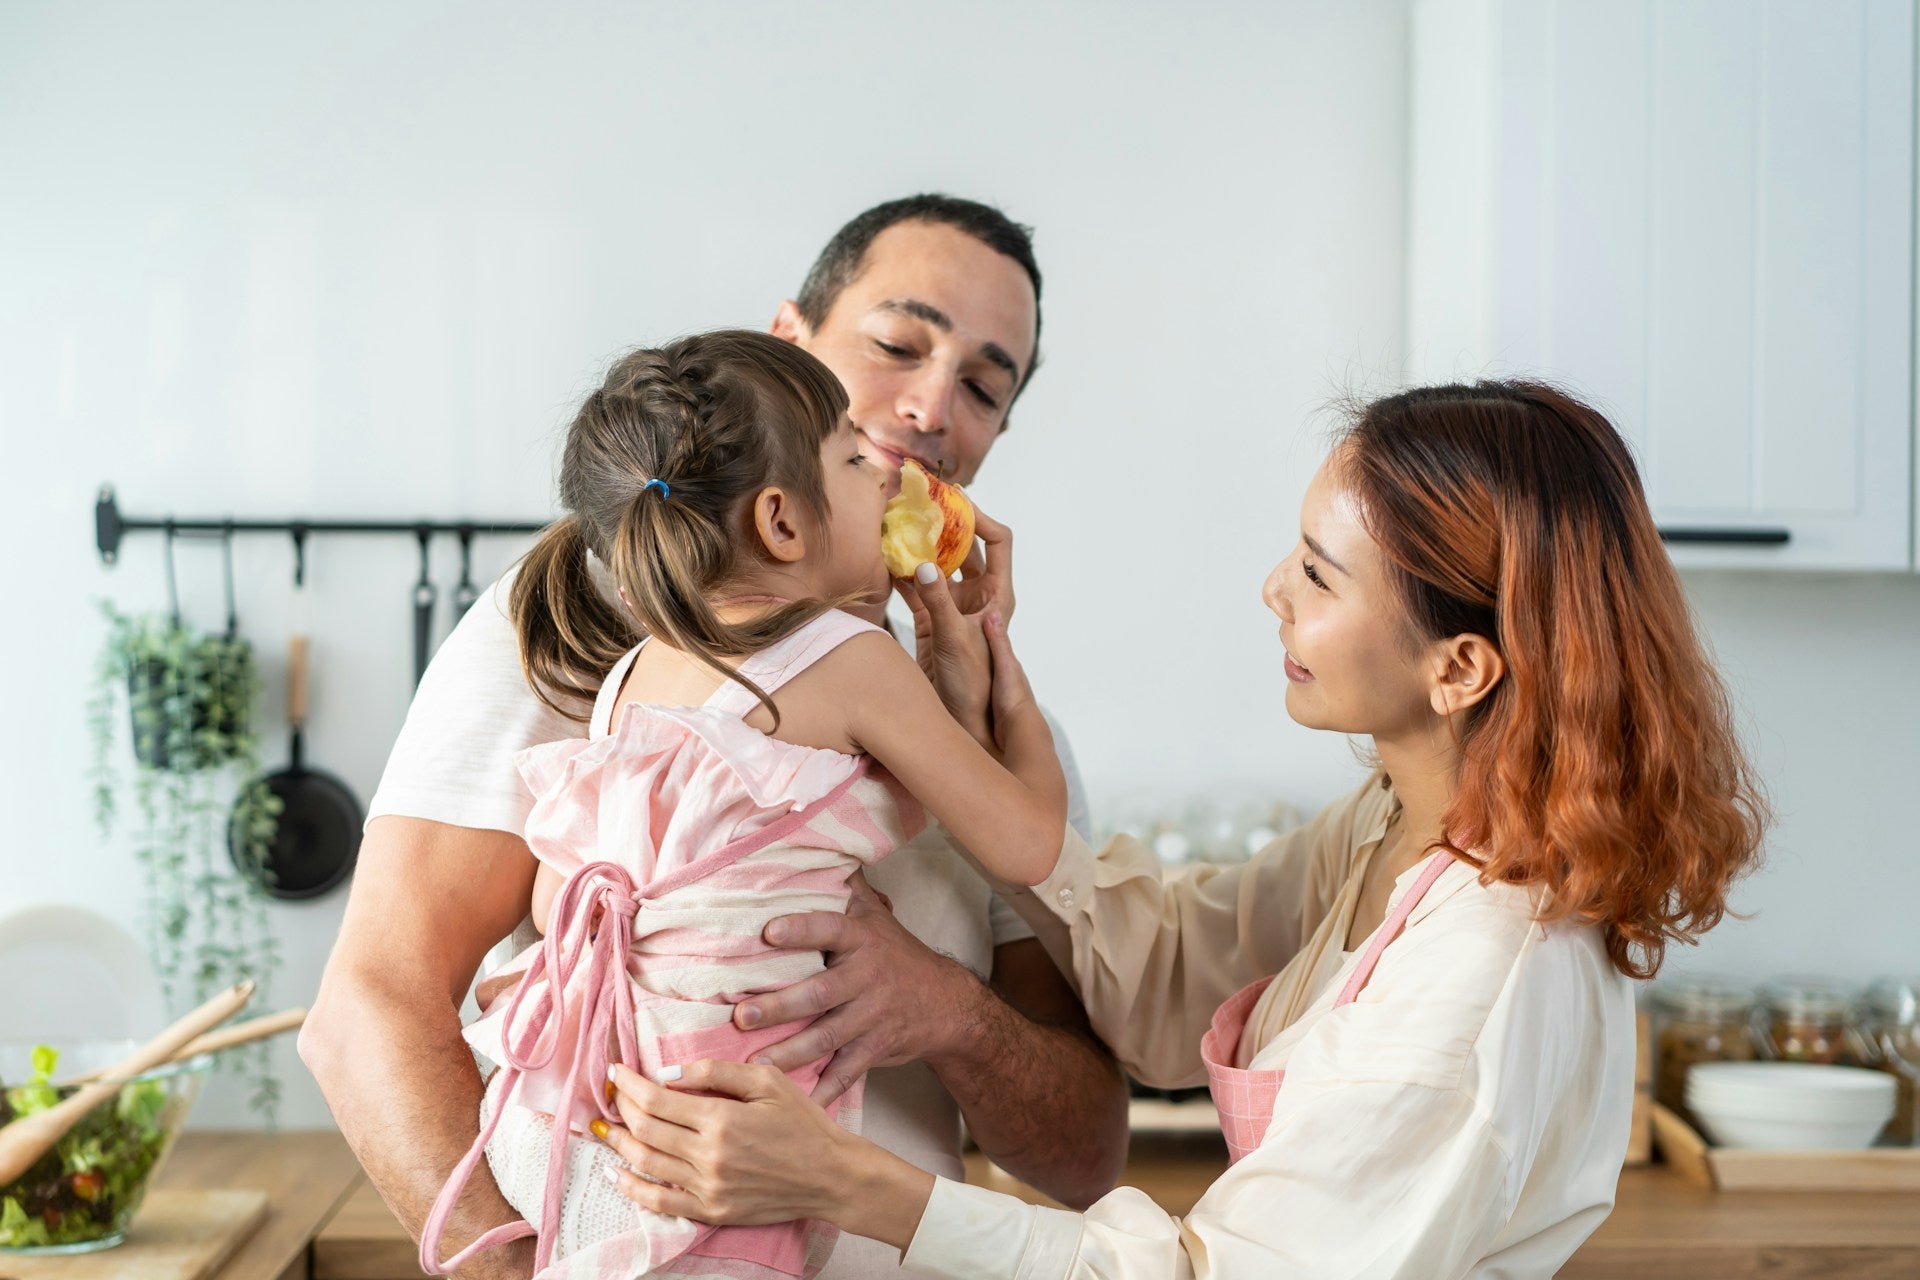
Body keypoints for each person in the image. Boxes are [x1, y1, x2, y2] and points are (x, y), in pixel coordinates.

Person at [596, 380, 1769, 1278]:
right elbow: (1174, 972)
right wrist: (995, 737)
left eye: (1319, 572)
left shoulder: (1484, 974)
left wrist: (848, 1179)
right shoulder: (1395, 821)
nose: (1273, 588)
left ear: (1458, 665)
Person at [301, 196, 1130, 1280]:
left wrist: (946, 1008)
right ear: (785, 347)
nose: (929, 408)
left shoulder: (974, 718)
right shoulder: (563, 624)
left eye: (982, 385)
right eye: (896, 344)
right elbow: (367, 1008)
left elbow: (1089, 1156)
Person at [416, 331, 1069, 1279]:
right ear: (781, 522)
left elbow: (563, 900)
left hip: (576, 1117)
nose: (887, 477)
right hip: (728, 1137)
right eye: (852, 459)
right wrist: (1004, 676)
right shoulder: (852, 660)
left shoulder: (631, 676)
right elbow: (1024, 843)